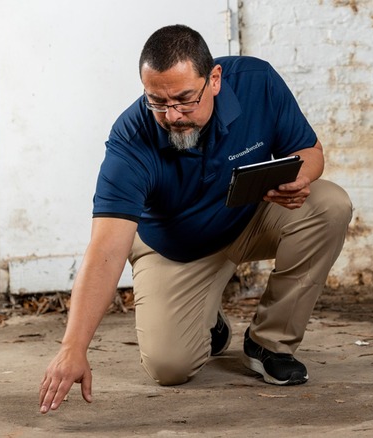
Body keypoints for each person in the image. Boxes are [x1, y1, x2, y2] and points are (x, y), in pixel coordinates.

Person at [38, 24, 352, 414]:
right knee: (170, 368)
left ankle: (269, 343)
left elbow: (309, 149)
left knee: (330, 205)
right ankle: (209, 322)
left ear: (214, 80)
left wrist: (301, 175)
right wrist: (72, 349)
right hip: (175, 248)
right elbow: (105, 249)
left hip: (248, 219)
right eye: (157, 101)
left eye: (185, 99)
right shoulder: (129, 141)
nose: (172, 115)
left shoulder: (257, 83)